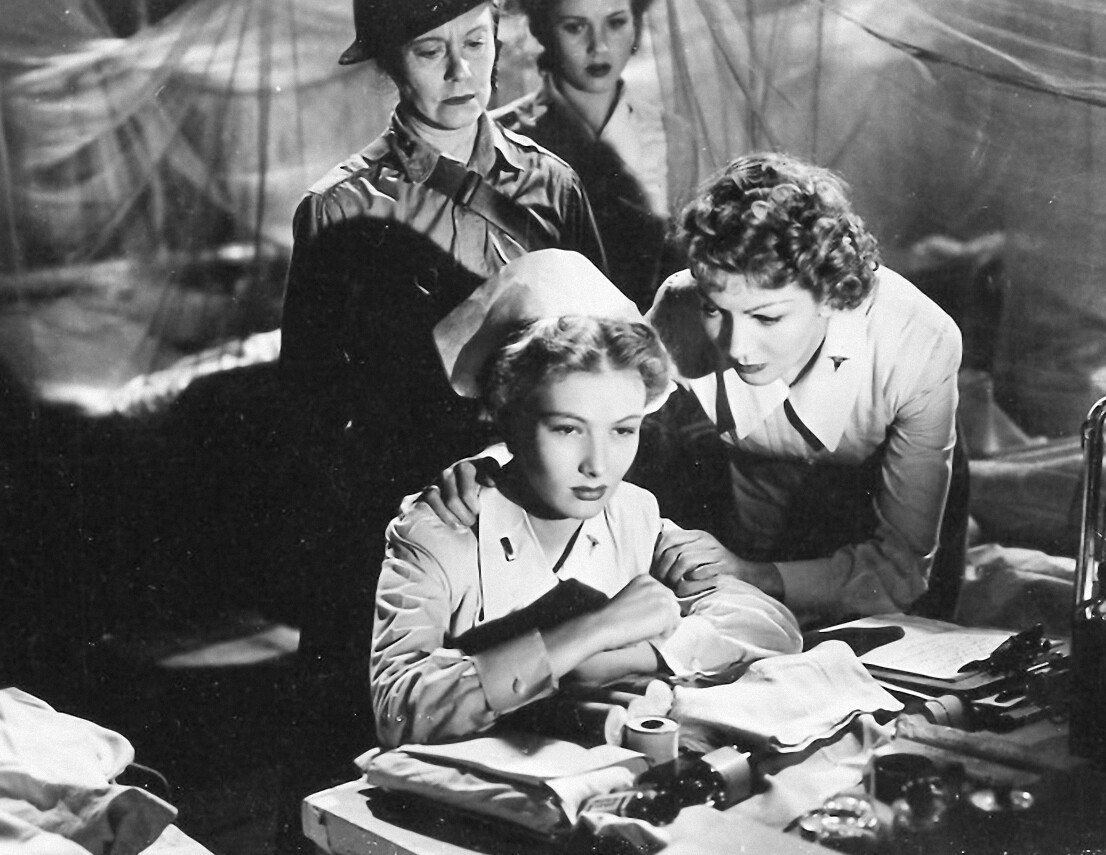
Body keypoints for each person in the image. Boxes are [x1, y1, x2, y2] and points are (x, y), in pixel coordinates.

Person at [274, 0, 607, 836]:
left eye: (476, 43)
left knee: (533, 777)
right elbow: (309, 417)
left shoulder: (552, 185)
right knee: (374, 782)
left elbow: (607, 361)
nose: (461, 73)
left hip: (537, 507)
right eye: (430, 51)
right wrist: (406, 502)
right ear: (389, 60)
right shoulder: (339, 206)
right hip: (400, 521)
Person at [419, 152, 966, 629]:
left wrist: (755, 574)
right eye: (715, 310)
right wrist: (495, 467)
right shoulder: (681, 308)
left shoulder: (919, 341)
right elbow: (592, 406)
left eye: (768, 317)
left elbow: (900, 568)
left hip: (880, 517)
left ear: (829, 296)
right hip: (756, 509)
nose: (738, 347)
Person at [372, 249, 801, 747]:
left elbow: (772, 625)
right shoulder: (440, 530)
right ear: (506, 416)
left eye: (623, 430)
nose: (598, 465)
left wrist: (634, 657)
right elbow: (397, 709)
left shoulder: (635, 515)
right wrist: (592, 632)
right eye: (567, 429)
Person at [491, 0, 682, 309]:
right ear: (542, 29)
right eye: (575, 27)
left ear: (636, 24)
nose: (599, 46)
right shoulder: (498, 137)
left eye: (616, 23)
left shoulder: (672, 135)